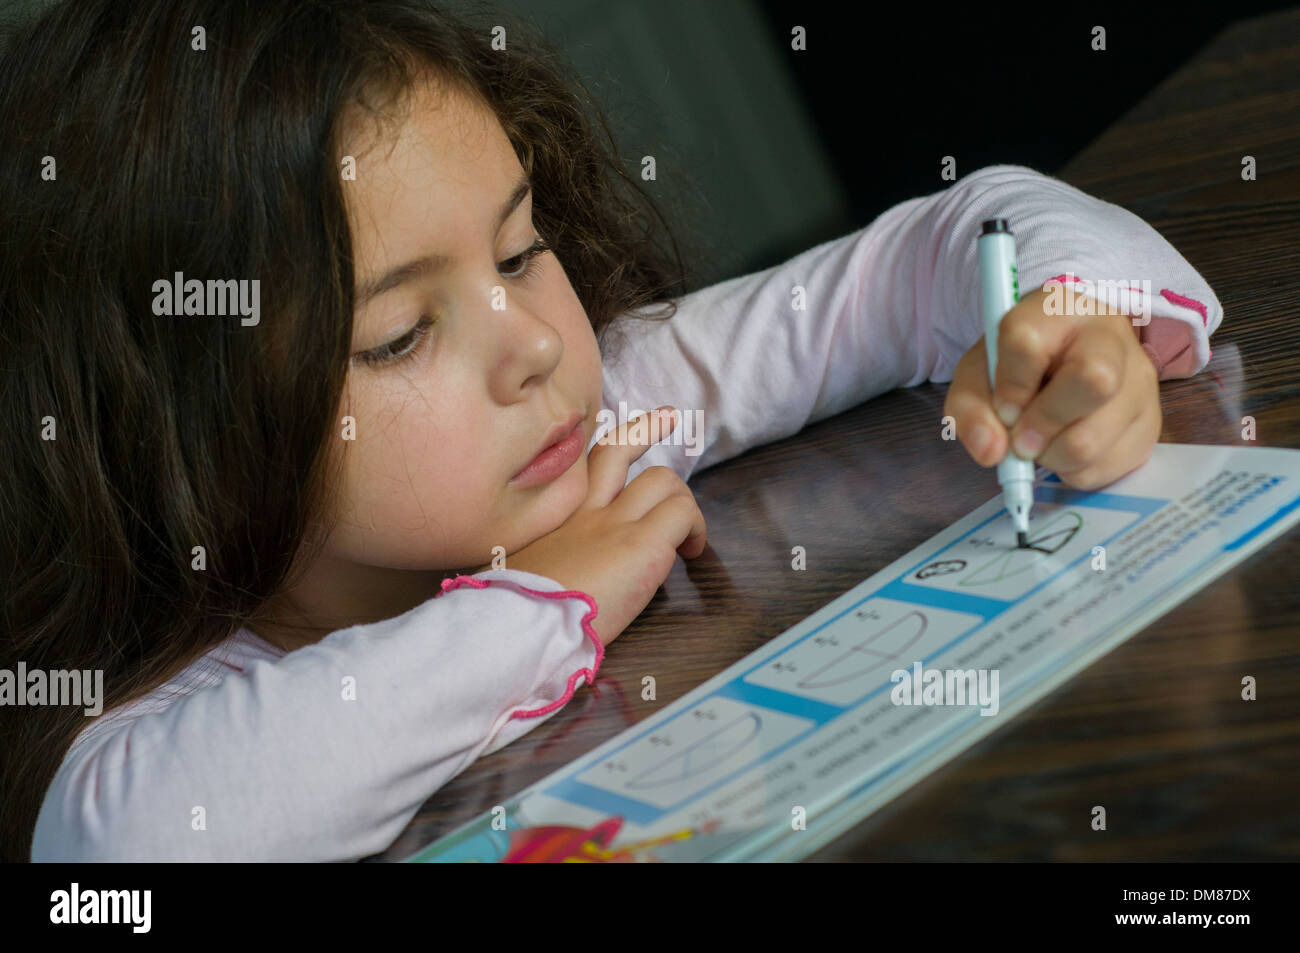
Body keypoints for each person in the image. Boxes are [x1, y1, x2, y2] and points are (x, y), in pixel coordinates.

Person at [1, 0, 1219, 861]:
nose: (533, 339)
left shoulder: (602, 415)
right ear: (193, 444)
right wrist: (542, 600)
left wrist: (1069, 319)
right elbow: (124, 846)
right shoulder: (171, 734)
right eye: (397, 337)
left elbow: (954, 238)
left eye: (521, 249)